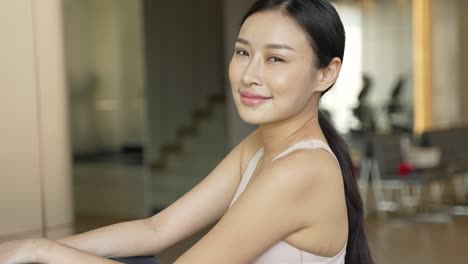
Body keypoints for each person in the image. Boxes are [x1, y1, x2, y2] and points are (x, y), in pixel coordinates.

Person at [0, 0, 373, 263]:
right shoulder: (261, 146)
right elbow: (157, 229)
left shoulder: (300, 171)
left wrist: (41, 252)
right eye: (243, 52)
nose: (249, 75)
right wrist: (40, 248)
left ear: (327, 73)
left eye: (275, 59)